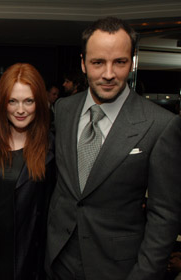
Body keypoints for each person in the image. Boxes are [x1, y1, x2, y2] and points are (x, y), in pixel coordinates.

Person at [45, 17, 181, 280]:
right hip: (57, 260)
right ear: (83, 63)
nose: (108, 74)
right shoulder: (64, 109)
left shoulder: (161, 125)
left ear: (131, 62)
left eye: (119, 61)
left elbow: (164, 215)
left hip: (116, 268)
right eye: (98, 62)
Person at [0, 63, 55, 280]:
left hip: (28, 258)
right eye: (12, 101)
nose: (20, 110)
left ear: (40, 103)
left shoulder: (52, 147)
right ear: (2, 102)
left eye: (29, 101)